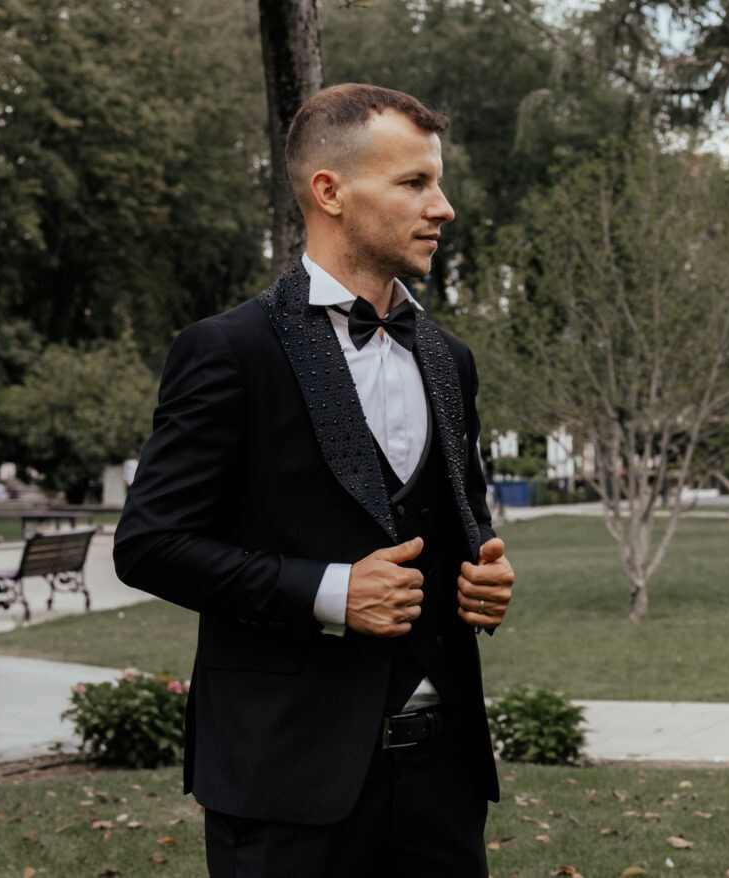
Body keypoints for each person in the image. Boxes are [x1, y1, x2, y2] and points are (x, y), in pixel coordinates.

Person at [114, 83, 515, 877]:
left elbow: (455, 514)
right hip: (286, 783)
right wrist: (330, 592)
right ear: (329, 191)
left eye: (437, 182)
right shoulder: (227, 350)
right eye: (414, 183)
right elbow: (150, 545)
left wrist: (485, 576)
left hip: (444, 775)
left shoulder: (447, 357)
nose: (443, 208)